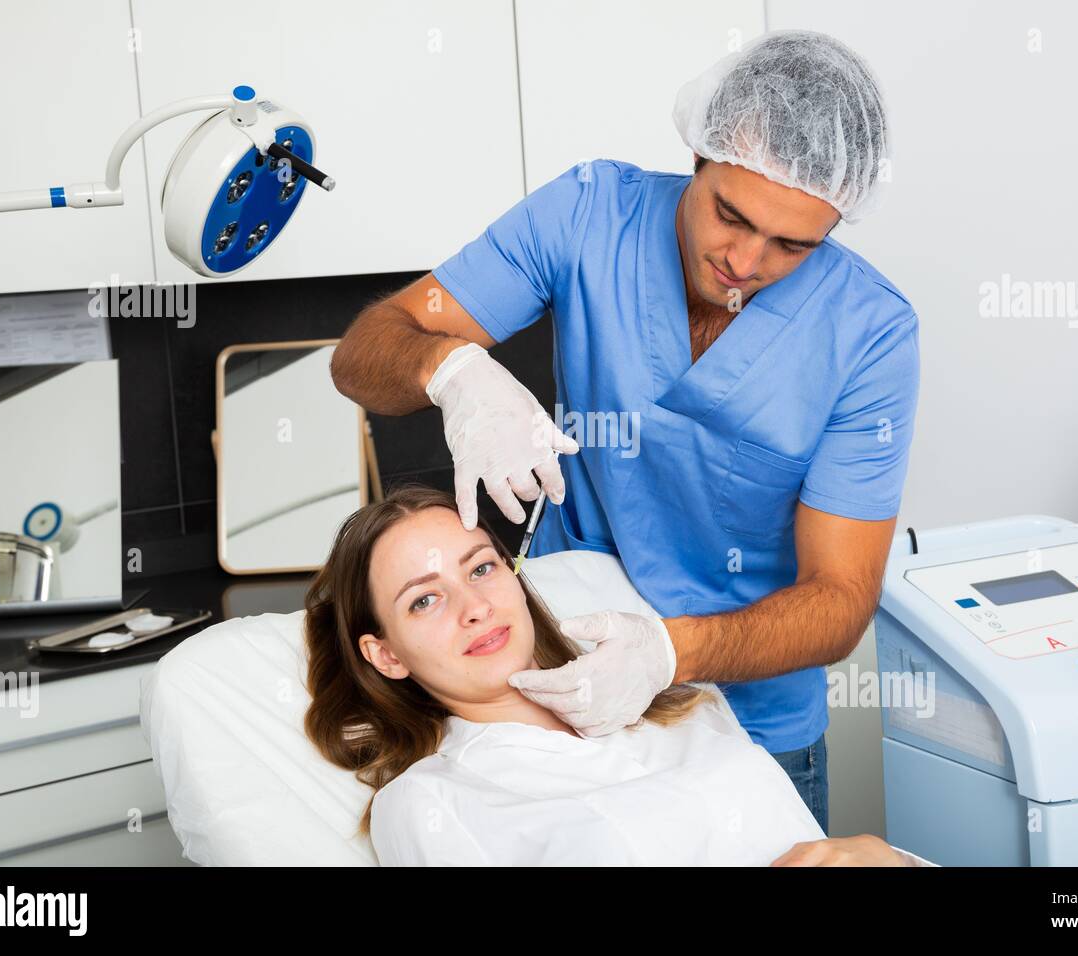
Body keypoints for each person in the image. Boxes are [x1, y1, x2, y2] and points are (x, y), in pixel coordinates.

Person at [330, 30, 919, 833]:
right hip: (562, 690)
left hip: (758, 726)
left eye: (793, 245)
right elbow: (365, 353)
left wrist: (668, 654)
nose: (746, 262)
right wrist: (451, 372)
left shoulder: (870, 333)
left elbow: (841, 604)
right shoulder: (588, 215)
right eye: (731, 215)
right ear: (699, 152)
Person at [302, 484, 930, 866]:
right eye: (424, 600)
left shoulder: (673, 701)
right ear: (385, 654)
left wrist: (889, 857)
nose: (474, 607)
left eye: (481, 569)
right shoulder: (429, 803)